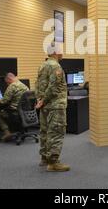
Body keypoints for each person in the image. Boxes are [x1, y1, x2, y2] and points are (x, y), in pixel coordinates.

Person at [35, 42, 69, 172]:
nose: (62, 52)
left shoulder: (42, 65)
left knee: (45, 131)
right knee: (56, 132)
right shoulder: (56, 66)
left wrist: (39, 99)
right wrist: (43, 100)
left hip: (45, 105)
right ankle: (53, 162)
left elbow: (37, 84)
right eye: (61, 50)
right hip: (55, 105)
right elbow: (53, 87)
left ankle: (44, 158)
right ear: (55, 52)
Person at [0, 73, 29, 141]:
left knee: (0, 113)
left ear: (9, 79)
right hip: (24, 111)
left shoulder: (12, 86)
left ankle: (7, 133)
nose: (7, 84)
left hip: (15, 112)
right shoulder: (23, 85)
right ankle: (15, 131)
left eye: (7, 82)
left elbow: (4, 101)